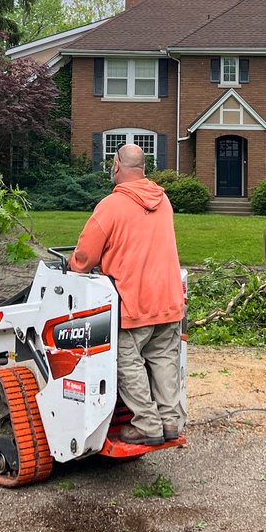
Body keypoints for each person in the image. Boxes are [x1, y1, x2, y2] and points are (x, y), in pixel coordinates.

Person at [70, 143, 184, 446]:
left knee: (126, 359)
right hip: (169, 299)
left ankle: (147, 425)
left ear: (117, 166)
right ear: (144, 168)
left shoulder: (111, 206)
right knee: (162, 359)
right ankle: (171, 420)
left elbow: (83, 259)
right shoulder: (163, 201)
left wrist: (73, 268)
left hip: (134, 301)